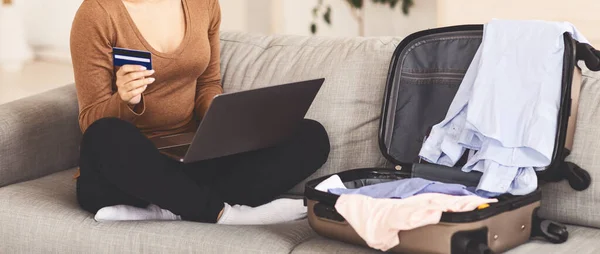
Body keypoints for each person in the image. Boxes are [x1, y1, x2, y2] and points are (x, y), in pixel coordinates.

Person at [70, 0, 330, 225]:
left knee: (310, 136)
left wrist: (221, 116)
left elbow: (208, 83)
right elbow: (90, 120)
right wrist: (124, 99)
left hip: (189, 158)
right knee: (104, 134)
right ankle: (223, 215)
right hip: (127, 174)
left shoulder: (203, 4)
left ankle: (171, 208)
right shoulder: (97, 14)